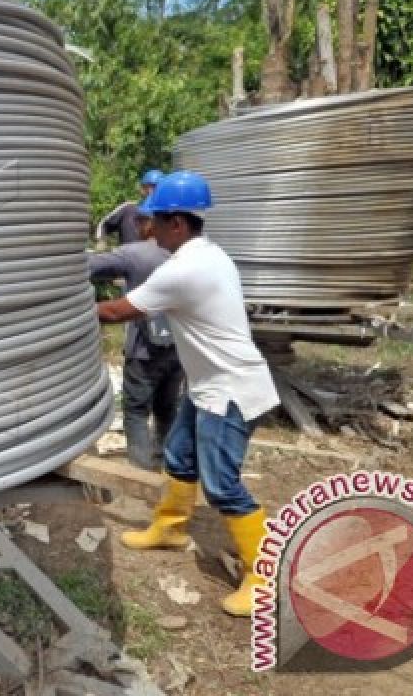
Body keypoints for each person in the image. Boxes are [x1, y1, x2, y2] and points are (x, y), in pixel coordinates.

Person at [95, 171, 278, 617]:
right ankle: (170, 528)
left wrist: (63, 306)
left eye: (153, 220)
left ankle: (264, 575)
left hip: (229, 391)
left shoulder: (184, 269)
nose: (146, 227)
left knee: (223, 485)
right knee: (179, 456)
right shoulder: (211, 255)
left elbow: (119, 311)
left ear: (177, 222)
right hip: (208, 386)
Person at [89, 211, 183, 471]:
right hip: (178, 348)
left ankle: (142, 474)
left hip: (144, 351)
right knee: (167, 409)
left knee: (137, 411)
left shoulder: (136, 253)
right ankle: (166, 465)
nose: (137, 227)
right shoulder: (183, 254)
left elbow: (88, 267)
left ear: (152, 223)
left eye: (140, 222)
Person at [95, 169, 164, 246]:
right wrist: (101, 240)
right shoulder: (128, 209)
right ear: (142, 189)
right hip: (126, 256)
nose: (150, 192)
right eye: (147, 187)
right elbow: (104, 224)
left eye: (154, 188)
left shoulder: (165, 214)